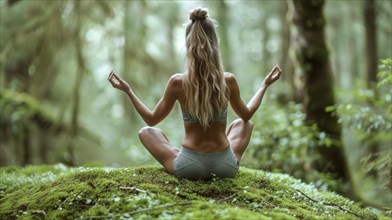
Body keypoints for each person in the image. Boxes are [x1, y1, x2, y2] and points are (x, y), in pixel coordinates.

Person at [108, 7, 282, 180]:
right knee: (244, 124)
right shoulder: (228, 81)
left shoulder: (177, 83)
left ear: (187, 45)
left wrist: (128, 91)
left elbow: (151, 120)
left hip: (189, 167)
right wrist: (264, 86)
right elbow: (247, 115)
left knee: (146, 131)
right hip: (225, 167)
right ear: (215, 43)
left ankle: (185, 157)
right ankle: (224, 160)